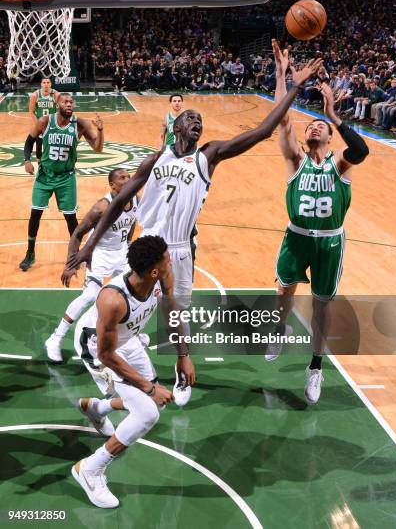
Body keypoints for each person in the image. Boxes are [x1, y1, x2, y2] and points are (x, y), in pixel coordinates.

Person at [64, 48, 323, 400]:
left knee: (176, 310)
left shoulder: (209, 155)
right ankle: (101, 342)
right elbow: (120, 201)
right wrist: (88, 245)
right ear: (176, 126)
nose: (197, 121)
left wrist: (293, 86)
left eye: (200, 118)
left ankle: (179, 368)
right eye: (190, 117)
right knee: (127, 300)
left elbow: (263, 131)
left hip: (180, 249)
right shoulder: (155, 159)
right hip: (147, 243)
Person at [266, 40, 369, 404]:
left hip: (329, 241)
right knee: (283, 292)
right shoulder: (296, 159)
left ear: (328, 136)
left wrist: (333, 113)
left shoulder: (340, 163)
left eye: (319, 126)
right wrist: (281, 74)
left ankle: (315, 367)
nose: (313, 128)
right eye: (310, 124)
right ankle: (279, 330)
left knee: (322, 305)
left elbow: (361, 150)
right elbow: (281, 120)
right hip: (296, 237)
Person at [71, 235, 195, 509]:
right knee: (148, 412)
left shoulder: (163, 277)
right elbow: (105, 354)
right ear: (154, 270)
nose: (170, 260)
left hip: (127, 342)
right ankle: (90, 469)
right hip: (98, 348)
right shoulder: (113, 299)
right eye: (166, 259)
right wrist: (149, 387)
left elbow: (171, 310)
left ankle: (99, 408)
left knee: (151, 406)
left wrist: (183, 356)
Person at [45, 168, 138, 363]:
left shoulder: (136, 199)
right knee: (90, 296)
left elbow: (131, 222)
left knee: (129, 298)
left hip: (121, 256)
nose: (128, 179)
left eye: (129, 176)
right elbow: (78, 233)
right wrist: (71, 264)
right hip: (100, 256)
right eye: (122, 178)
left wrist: (128, 244)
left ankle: (126, 340)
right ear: (112, 185)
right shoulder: (101, 207)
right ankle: (55, 338)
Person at [19, 93, 104, 271]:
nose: (69, 104)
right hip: (45, 176)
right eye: (65, 102)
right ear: (57, 105)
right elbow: (28, 143)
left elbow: (98, 148)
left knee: (70, 218)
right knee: (35, 214)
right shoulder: (44, 121)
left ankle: (75, 255)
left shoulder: (80, 124)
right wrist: (27, 161)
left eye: (71, 102)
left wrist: (101, 131)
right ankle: (30, 253)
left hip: (66, 177)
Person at [29, 77, 59, 163]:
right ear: (41, 84)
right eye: (44, 82)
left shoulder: (56, 94)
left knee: (54, 143)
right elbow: (31, 112)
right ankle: (39, 162)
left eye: (48, 82)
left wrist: (56, 123)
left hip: (52, 123)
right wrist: (37, 124)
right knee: (39, 144)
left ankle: (54, 161)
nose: (46, 84)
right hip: (40, 124)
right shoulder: (35, 95)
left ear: (51, 84)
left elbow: (59, 111)